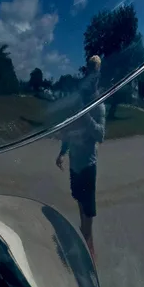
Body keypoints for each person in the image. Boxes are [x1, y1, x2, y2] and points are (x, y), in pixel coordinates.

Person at [56, 55, 106, 260]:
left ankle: (89, 242)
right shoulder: (78, 104)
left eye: (95, 72)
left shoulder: (99, 107)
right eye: (88, 71)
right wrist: (61, 152)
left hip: (87, 165)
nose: (90, 76)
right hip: (75, 163)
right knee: (78, 199)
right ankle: (84, 230)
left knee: (89, 207)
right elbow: (68, 131)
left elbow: (100, 135)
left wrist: (86, 117)